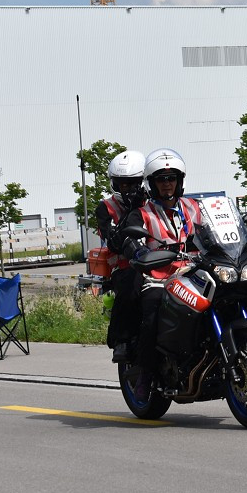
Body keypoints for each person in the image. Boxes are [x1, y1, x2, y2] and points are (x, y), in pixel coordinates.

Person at [116, 148, 202, 398]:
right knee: (153, 308)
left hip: (193, 273)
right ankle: (145, 372)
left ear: (179, 181)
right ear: (152, 184)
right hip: (158, 278)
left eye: (171, 178)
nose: (167, 184)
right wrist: (138, 251)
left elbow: (213, 230)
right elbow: (130, 238)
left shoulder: (194, 207)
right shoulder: (142, 212)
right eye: (161, 180)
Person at [95, 149, 146, 363]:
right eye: (123, 184)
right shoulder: (105, 208)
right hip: (124, 267)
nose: (128, 188)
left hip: (159, 262)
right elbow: (113, 240)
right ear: (115, 184)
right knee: (130, 285)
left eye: (133, 183)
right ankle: (121, 340)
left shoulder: (151, 202)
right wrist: (132, 210)